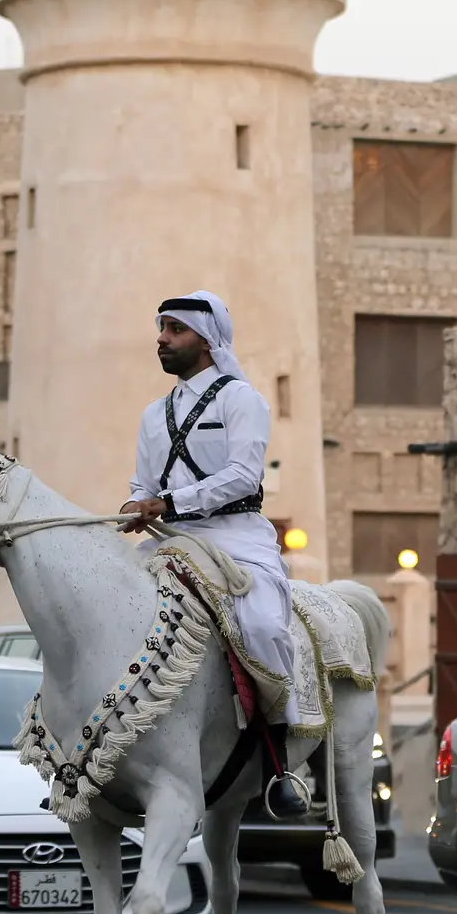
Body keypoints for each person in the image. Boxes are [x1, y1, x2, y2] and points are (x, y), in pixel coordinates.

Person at [120, 292, 309, 820]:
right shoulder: (152, 415)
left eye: (174, 330)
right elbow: (142, 481)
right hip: (169, 541)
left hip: (236, 539)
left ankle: (281, 760)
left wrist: (169, 501)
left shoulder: (241, 400)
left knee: (266, 627)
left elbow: (244, 476)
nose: (161, 338)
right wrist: (136, 504)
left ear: (205, 339)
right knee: (106, 611)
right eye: (160, 328)